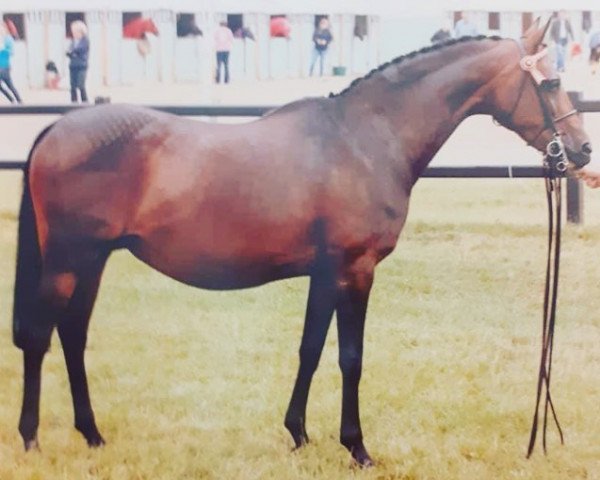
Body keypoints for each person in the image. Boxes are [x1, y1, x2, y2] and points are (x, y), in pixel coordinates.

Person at [66, 20, 89, 103]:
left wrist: (73, 53)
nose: (74, 33)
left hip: (81, 66)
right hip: (73, 65)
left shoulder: (85, 40)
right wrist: (73, 53)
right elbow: (68, 52)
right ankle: (73, 103)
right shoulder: (73, 41)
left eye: (75, 31)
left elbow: (79, 50)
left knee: (81, 85)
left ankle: (85, 103)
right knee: (73, 86)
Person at [0, 21, 22, 104]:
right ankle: (14, 100)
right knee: (8, 85)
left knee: (10, 85)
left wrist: (3, 49)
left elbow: (12, 52)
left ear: (5, 29)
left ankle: (18, 101)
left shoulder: (8, 39)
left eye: (1, 29)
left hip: (4, 66)